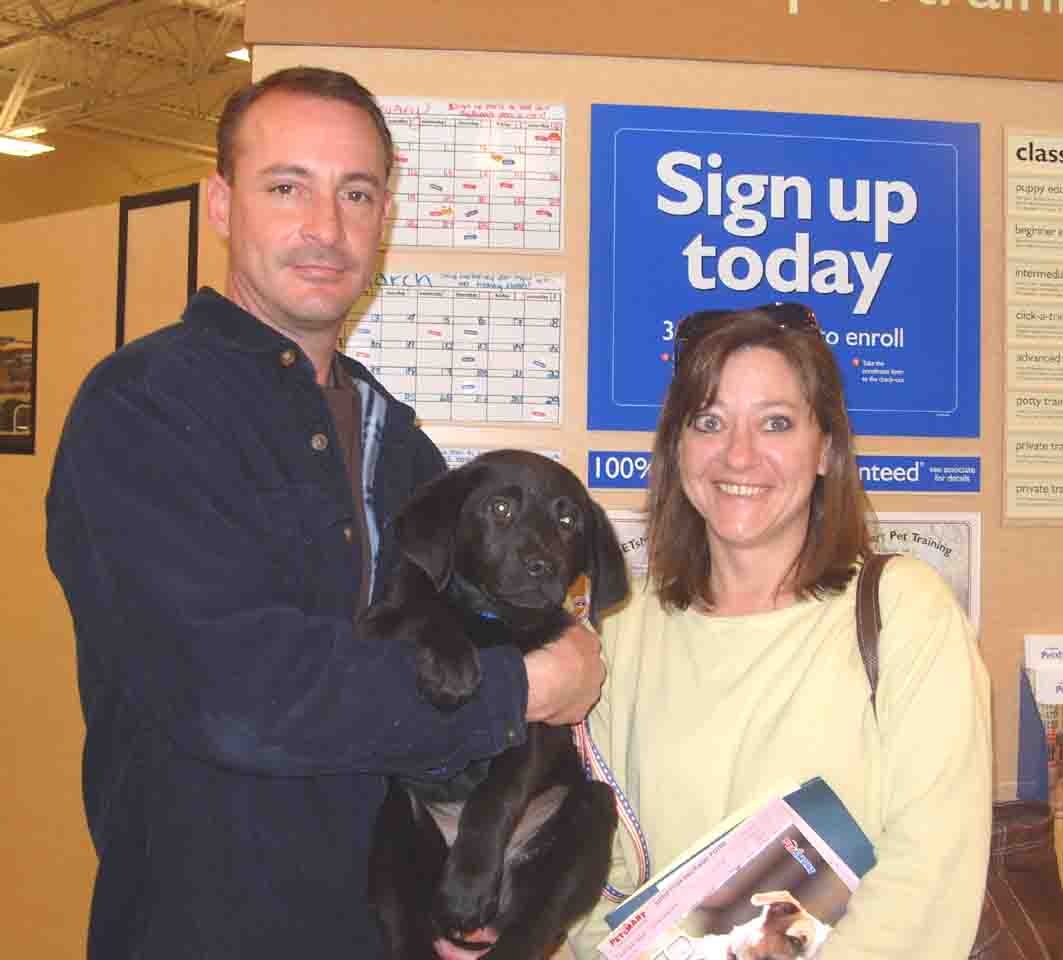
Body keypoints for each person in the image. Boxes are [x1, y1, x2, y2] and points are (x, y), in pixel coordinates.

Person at [45, 66, 604, 960]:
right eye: (286, 187)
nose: (326, 227)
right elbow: (235, 694)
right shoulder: (145, 409)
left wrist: (475, 882)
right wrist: (526, 687)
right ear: (221, 205)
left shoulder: (396, 440)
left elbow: (443, 661)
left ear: (384, 217)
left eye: (355, 193)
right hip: (205, 933)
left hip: (386, 925)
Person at [567, 303, 992, 958]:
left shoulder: (906, 612)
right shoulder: (620, 628)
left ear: (825, 449)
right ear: (677, 448)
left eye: (775, 423)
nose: (738, 455)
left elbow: (927, 877)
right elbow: (588, 870)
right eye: (709, 422)